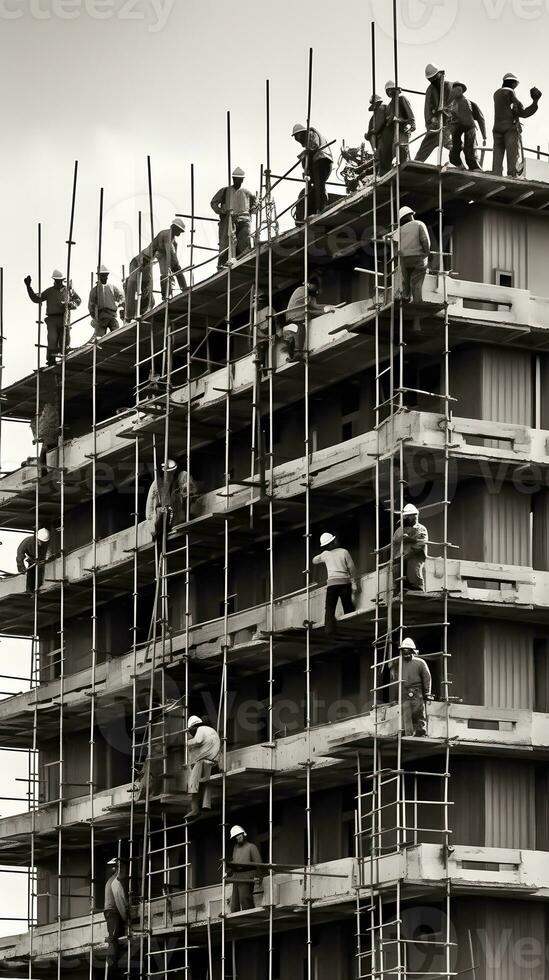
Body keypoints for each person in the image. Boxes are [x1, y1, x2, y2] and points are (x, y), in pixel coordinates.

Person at [125, 217, 187, 321]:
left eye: (181, 231)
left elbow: (172, 263)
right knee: (132, 285)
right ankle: (129, 315)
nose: (179, 233)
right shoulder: (164, 234)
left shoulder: (173, 244)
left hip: (149, 263)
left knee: (147, 291)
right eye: (178, 230)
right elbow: (155, 251)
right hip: (139, 261)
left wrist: (181, 283)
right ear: (173, 227)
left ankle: (145, 309)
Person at [24, 269, 81, 365]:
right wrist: (28, 286)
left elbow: (78, 300)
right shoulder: (49, 291)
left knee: (65, 340)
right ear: (54, 280)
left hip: (64, 318)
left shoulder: (68, 290)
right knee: (52, 338)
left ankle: (65, 356)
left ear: (63, 280)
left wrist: (71, 304)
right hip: (52, 319)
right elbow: (36, 298)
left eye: (60, 281)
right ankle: (51, 359)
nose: (59, 283)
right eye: (57, 281)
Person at [492, 72, 541, 178]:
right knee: (513, 154)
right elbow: (523, 112)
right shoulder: (510, 92)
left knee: (497, 154)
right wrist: (535, 101)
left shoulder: (496, 93)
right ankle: (512, 175)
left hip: (497, 128)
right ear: (513, 84)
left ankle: (496, 174)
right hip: (509, 127)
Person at [313, 531, 360, 634]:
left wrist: (323, 554)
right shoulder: (344, 552)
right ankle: (351, 627)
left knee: (329, 609)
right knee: (347, 604)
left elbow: (314, 560)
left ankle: (329, 631)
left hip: (332, 585)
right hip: (345, 583)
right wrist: (354, 582)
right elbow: (352, 568)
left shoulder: (325, 554)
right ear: (333, 542)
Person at [210, 167, 257, 268]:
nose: (238, 181)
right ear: (233, 179)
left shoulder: (247, 192)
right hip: (228, 220)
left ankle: (243, 261)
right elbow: (213, 203)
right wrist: (222, 212)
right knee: (226, 242)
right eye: (236, 179)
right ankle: (223, 263)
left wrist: (252, 210)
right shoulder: (225, 191)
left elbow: (255, 203)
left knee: (244, 240)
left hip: (243, 220)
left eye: (240, 180)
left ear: (242, 180)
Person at [145, 460, 199, 540]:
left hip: (169, 517)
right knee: (167, 509)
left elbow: (192, 492)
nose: (172, 473)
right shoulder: (160, 483)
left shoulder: (178, 479)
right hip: (159, 519)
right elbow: (154, 508)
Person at [283, 280, 336, 361]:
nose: (316, 289)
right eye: (314, 286)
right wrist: (324, 311)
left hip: (301, 314)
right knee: (300, 328)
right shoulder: (301, 290)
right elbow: (311, 308)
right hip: (295, 315)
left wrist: (328, 306)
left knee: (305, 322)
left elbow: (315, 306)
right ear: (309, 284)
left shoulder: (309, 294)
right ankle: (297, 352)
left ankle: (297, 352)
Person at [391, 637, 432, 737]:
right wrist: (396, 696)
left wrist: (427, 692)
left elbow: (427, 678)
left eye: (408, 651)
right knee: (406, 712)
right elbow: (396, 680)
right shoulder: (399, 663)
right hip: (404, 690)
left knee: (419, 711)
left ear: (412, 651)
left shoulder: (420, 663)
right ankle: (408, 732)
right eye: (404, 651)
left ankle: (421, 731)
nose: (406, 653)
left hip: (417, 690)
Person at [292, 122, 333, 215]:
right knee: (313, 185)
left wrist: (306, 156)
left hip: (322, 160)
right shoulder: (308, 138)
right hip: (318, 161)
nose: (298, 139)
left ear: (302, 133)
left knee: (319, 184)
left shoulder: (311, 134)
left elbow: (314, 148)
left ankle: (320, 209)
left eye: (298, 136)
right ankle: (313, 209)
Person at [415, 64, 452, 163]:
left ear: (439, 74)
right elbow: (427, 110)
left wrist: (445, 112)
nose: (433, 81)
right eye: (430, 80)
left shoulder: (449, 86)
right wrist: (431, 121)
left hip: (449, 126)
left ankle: (469, 164)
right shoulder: (430, 90)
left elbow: (455, 107)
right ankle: (415, 166)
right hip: (435, 128)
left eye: (434, 78)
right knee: (423, 150)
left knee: (455, 146)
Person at [185, 715, 221, 818]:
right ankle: (205, 805)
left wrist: (186, 743)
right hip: (213, 762)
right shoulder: (211, 731)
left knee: (194, 782)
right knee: (204, 783)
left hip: (205, 762)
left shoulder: (201, 729)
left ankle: (195, 809)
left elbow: (198, 741)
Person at [448, 82, 486, 171]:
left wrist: (484, 135)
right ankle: (460, 165)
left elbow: (481, 118)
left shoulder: (470, 103)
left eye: (458, 89)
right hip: (456, 128)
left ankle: (474, 167)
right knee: (455, 149)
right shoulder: (451, 105)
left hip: (469, 127)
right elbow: (447, 119)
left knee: (469, 149)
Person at [396, 206, 431, 304]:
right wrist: (426, 253)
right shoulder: (419, 224)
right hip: (418, 258)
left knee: (406, 278)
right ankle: (417, 301)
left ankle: (406, 295)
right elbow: (425, 241)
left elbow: (396, 247)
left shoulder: (399, 230)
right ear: (411, 215)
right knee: (417, 279)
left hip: (404, 260)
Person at [392, 503, 428, 592]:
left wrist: (410, 540)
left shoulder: (421, 528)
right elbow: (395, 540)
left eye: (414, 516)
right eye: (410, 517)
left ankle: (417, 588)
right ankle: (400, 588)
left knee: (413, 571)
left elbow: (421, 542)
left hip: (415, 556)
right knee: (399, 571)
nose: (414, 518)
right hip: (402, 556)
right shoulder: (400, 529)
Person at [228, 825, 262, 912]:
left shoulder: (251, 847)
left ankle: (250, 915)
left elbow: (259, 863)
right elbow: (235, 861)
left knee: (245, 898)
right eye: (236, 836)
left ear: (243, 834)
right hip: (237, 877)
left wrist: (259, 876)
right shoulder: (235, 848)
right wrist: (229, 871)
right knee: (234, 902)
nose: (238, 837)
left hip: (247, 876)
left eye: (239, 835)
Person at [104, 857, 128, 975]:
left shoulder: (111, 880)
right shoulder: (116, 882)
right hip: (113, 913)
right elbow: (120, 901)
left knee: (116, 938)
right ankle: (113, 968)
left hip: (111, 912)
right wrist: (125, 916)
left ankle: (116, 966)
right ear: (121, 869)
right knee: (114, 939)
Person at [88, 265, 124, 337]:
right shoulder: (95, 290)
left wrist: (120, 302)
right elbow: (91, 306)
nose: (106, 278)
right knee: (99, 338)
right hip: (101, 318)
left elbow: (121, 297)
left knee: (117, 335)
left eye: (106, 275)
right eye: (103, 276)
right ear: (99, 276)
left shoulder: (112, 288)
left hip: (112, 316)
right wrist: (95, 318)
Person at [385, 80, 416, 164]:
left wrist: (407, 124)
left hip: (402, 130)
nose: (390, 93)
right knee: (394, 154)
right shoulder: (390, 106)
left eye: (391, 90)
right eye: (388, 91)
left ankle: (406, 166)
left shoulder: (401, 99)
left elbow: (411, 117)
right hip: (394, 133)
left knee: (402, 152)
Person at [16, 528, 50, 592]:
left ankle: (39, 587)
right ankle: (30, 590)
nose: (41, 544)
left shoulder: (46, 542)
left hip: (41, 560)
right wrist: (21, 566)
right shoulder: (27, 542)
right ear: (37, 538)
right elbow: (20, 554)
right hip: (31, 559)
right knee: (31, 573)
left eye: (44, 542)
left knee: (40, 571)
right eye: (40, 541)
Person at [366, 94, 392, 175]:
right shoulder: (373, 117)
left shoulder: (382, 108)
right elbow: (371, 134)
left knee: (383, 160)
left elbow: (376, 128)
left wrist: (371, 132)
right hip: (380, 141)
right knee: (381, 160)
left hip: (385, 138)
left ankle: (383, 174)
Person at [252, 289, 276, 369]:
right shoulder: (256, 314)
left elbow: (272, 325)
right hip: (261, 339)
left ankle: (263, 367)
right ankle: (262, 367)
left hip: (268, 337)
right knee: (261, 349)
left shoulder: (268, 309)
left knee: (265, 349)